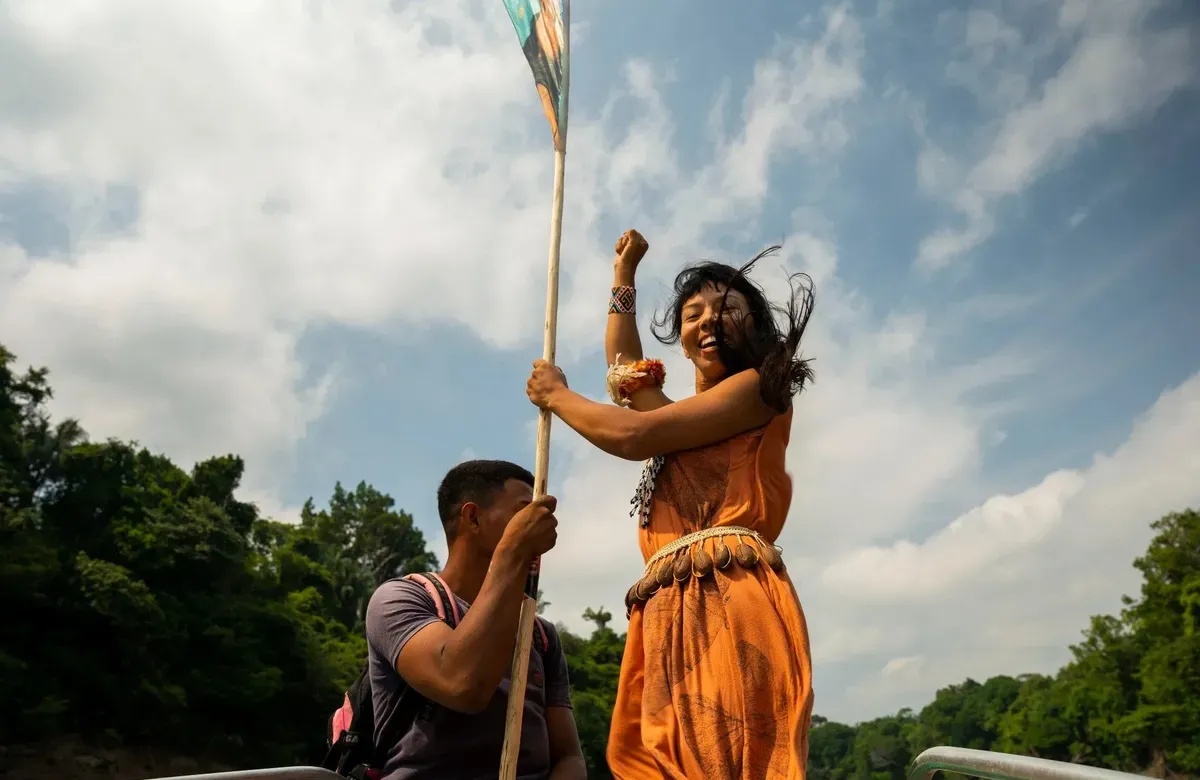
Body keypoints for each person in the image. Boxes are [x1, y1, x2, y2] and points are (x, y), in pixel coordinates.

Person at [525, 229, 816, 779]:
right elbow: (626, 375)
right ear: (681, 338)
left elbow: (634, 436)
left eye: (727, 308)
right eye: (692, 313)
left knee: (717, 761)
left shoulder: (758, 389)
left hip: (725, 593)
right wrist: (623, 276)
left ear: (755, 325)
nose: (708, 319)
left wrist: (556, 396)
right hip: (668, 604)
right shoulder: (684, 423)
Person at [365, 459, 587, 780]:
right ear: (473, 519)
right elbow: (462, 685)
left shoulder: (540, 634)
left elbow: (569, 756)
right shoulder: (403, 600)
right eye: (523, 512)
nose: (539, 522)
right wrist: (513, 551)